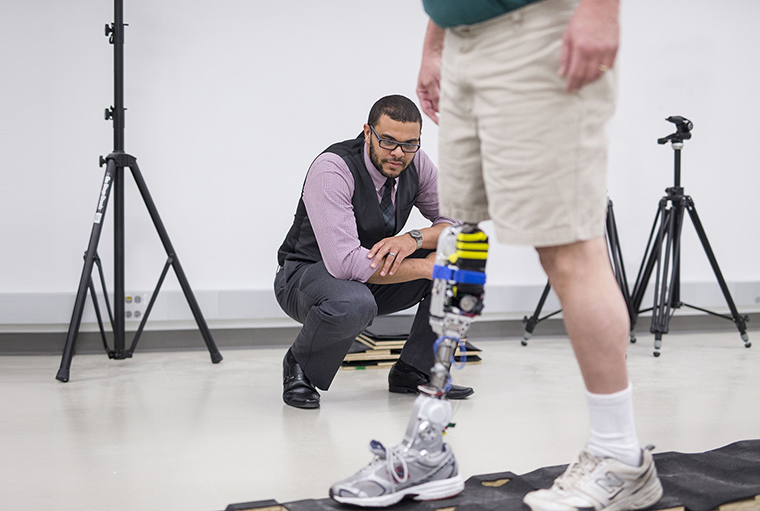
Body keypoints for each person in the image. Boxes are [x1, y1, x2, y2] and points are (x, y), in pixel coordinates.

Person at [414, 0, 664, 509]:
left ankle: (620, 457)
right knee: (461, 233)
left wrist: (599, 9)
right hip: (461, 43)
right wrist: (436, 41)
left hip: (538, 31)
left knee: (567, 248)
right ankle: (428, 445)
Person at [275, 94, 474, 410]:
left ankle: (416, 370)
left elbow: (460, 225)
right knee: (354, 302)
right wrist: (425, 268)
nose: (398, 153)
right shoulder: (333, 169)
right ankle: (300, 366)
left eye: (410, 144)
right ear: (367, 132)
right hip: (307, 276)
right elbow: (344, 264)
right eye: (388, 141)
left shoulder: (416, 162)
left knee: (462, 266)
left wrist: (414, 238)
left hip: (368, 276)